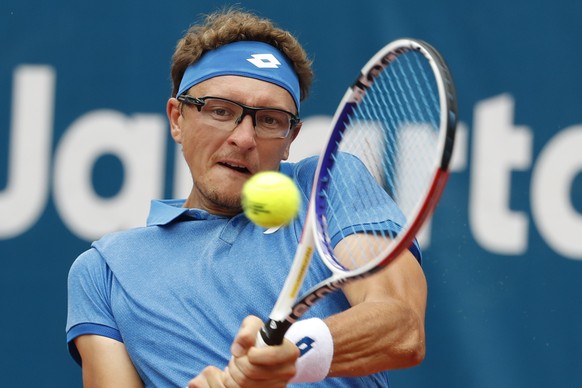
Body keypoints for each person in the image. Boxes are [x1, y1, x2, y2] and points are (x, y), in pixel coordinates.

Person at [66, 8, 427, 388]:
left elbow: (401, 326)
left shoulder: (325, 186)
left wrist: (292, 351)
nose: (244, 138)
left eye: (270, 120)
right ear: (177, 119)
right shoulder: (105, 270)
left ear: (290, 139)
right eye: (220, 111)